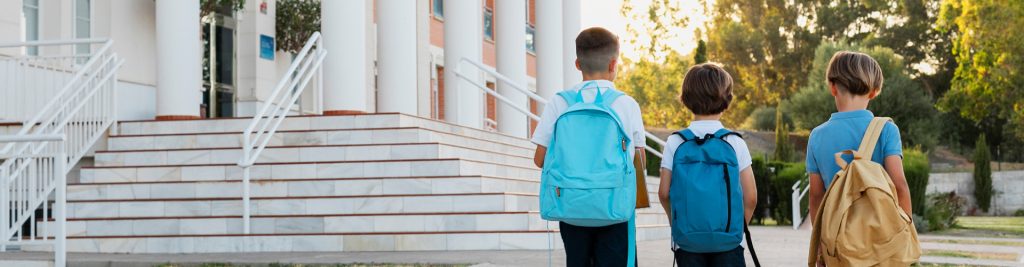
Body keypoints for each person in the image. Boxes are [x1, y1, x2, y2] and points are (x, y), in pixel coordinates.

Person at [531, 27, 646, 267]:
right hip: (615, 209)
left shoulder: (559, 102)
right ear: (613, 64)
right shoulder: (626, 104)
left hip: (571, 208)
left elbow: (540, 159)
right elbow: (640, 163)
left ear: (577, 64)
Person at [805, 51, 913, 265]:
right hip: (880, 242)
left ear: (832, 87)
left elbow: (816, 196)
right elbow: (899, 185)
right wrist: (906, 230)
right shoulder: (886, 130)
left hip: (837, 244)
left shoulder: (817, 136)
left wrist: (820, 246)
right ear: (874, 92)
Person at [657, 63, 757, 267]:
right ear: (727, 100)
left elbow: (664, 193)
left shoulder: (675, 142)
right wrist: (736, 229)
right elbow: (751, 197)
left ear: (685, 99)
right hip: (729, 243)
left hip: (688, 243)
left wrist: (677, 224)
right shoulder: (734, 142)